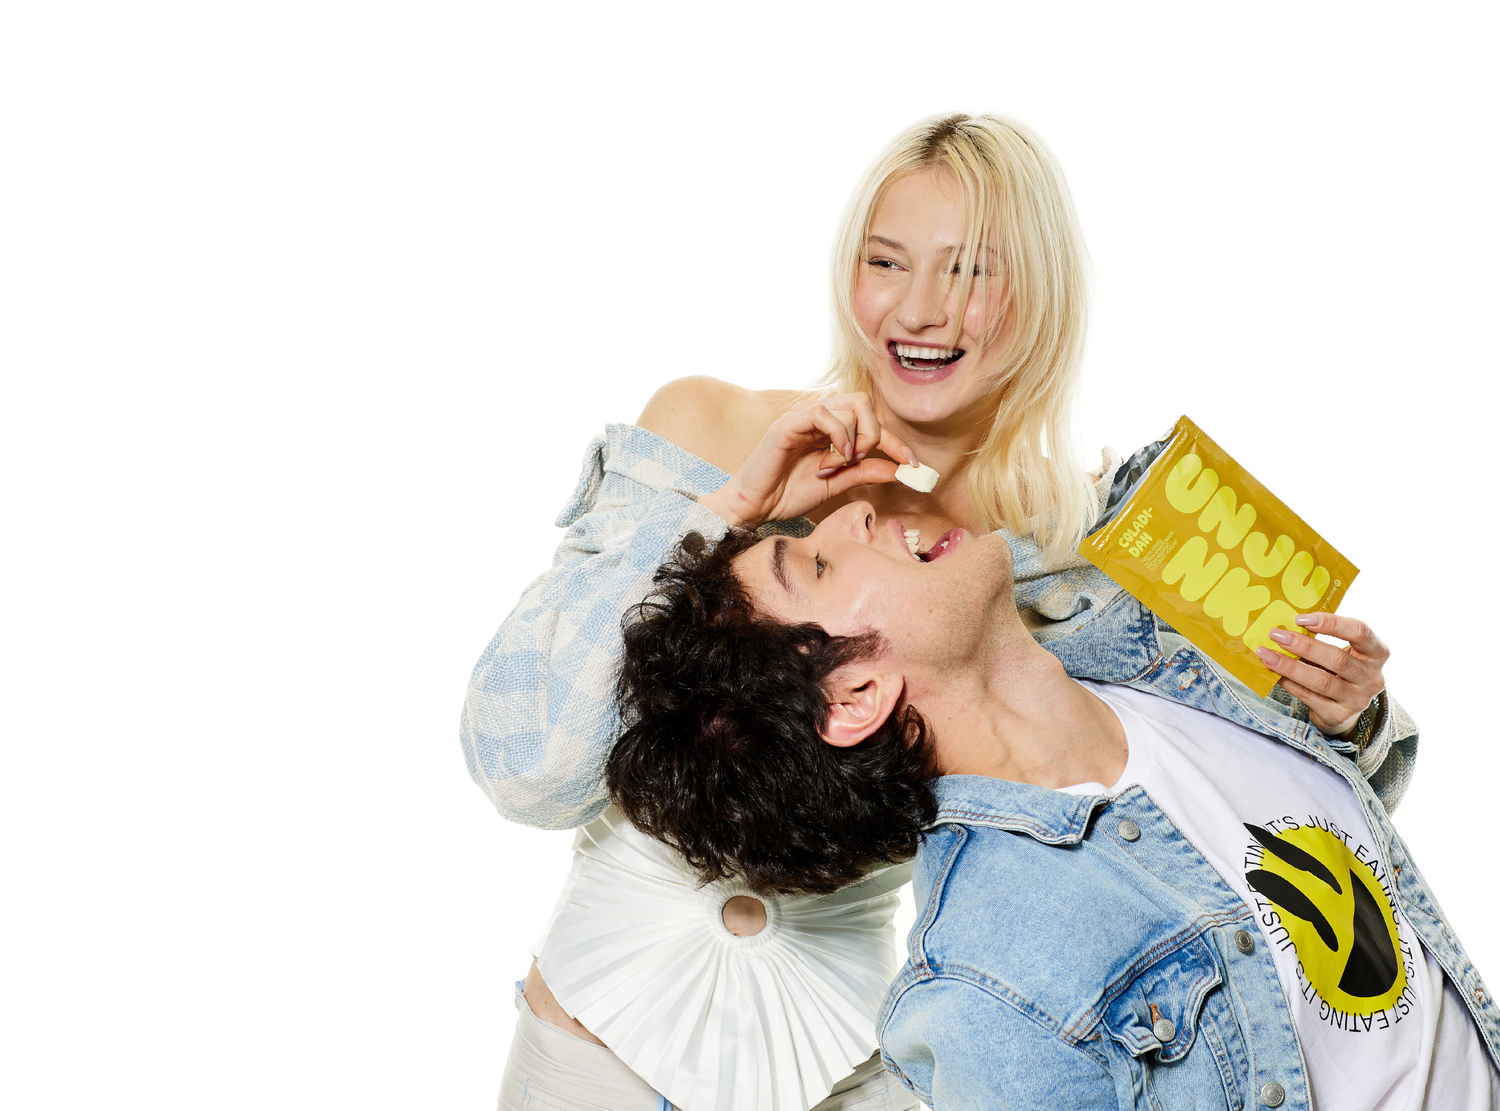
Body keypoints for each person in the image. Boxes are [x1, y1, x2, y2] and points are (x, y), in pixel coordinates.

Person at [461, 114, 1408, 1111]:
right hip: (593, 1049)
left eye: (970, 270)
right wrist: (727, 509)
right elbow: (526, 767)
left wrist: (1353, 713)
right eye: (885, 262)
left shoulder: (1084, 542)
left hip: (855, 1072)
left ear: (1041, 294)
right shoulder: (718, 428)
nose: (918, 310)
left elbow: (1265, 808)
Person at [606, 505, 1498, 1110]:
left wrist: (1356, 720)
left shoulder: (1159, 643)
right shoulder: (987, 996)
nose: (857, 513)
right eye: (818, 563)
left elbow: (1306, 871)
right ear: (854, 696)